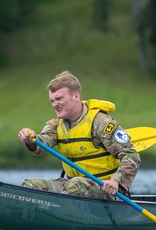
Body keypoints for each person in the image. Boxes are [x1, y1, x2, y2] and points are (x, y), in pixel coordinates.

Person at [17, 71, 140, 200]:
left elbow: (132, 155)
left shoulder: (101, 123)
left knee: (76, 185)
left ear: (76, 96)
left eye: (59, 99)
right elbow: (40, 145)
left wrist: (116, 180)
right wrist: (29, 139)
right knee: (29, 185)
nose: (54, 105)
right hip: (73, 187)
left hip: (108, 190)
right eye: (52, 101)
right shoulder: (57, 125)